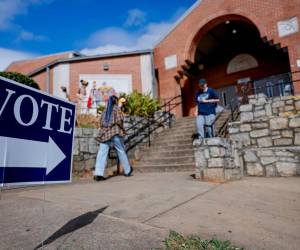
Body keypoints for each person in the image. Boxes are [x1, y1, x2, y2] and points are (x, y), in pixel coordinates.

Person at [94, 95, 133, 181]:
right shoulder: (116, 108)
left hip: (105, 134)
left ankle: (98, 174)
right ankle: (127, 170)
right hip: (115, 132)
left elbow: (101, 122)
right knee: (121, 151)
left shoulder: (105, 110)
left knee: (101, 153)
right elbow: (120, 119)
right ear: (115, 101)